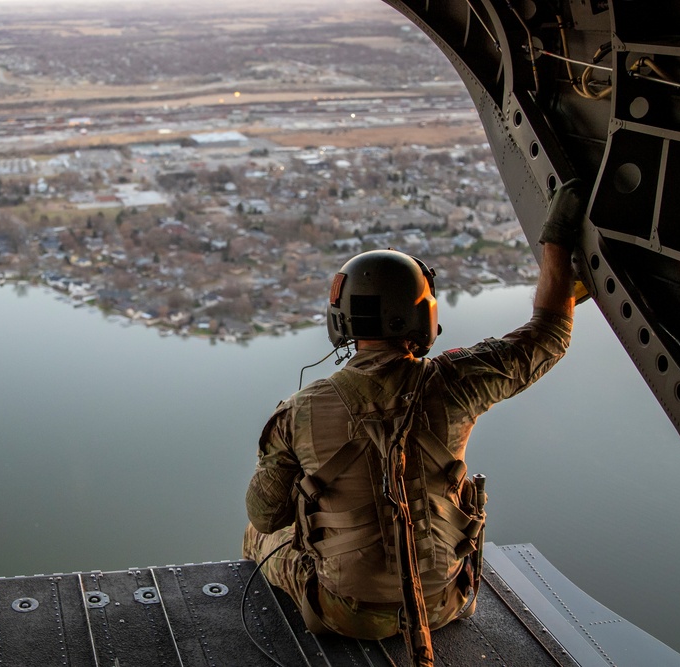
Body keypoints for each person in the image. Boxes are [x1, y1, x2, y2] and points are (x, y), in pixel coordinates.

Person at [243, 179, 586, 640]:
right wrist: (557, 240)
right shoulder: (457, 383)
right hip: (444, 602)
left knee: (256, 535)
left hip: (345, 614)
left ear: (340, 321)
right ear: (423, 316)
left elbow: (268, 515)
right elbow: (549, 335)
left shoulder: (298, 413)